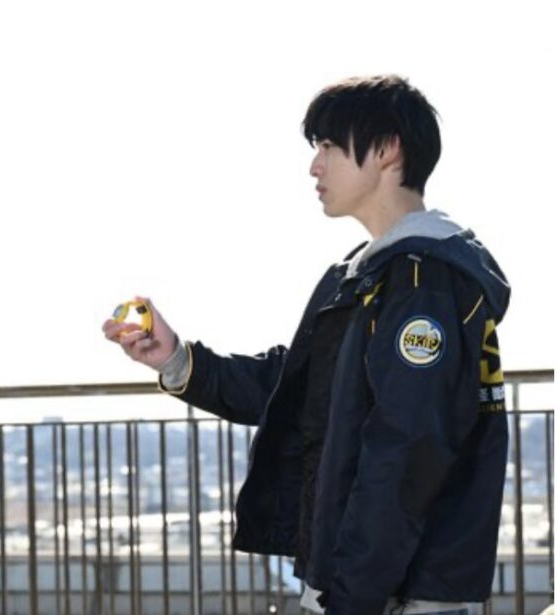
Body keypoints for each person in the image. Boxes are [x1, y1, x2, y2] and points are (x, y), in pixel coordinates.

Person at [104, 75, 509, 615]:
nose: (315, 166)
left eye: (329, 146)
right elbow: (299, 389)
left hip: (393, 596)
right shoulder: (367, 274)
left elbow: (406, 454)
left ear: (387, 150)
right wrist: (177, 359)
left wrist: (352, 597)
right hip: (353, 583)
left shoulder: (423, 285)